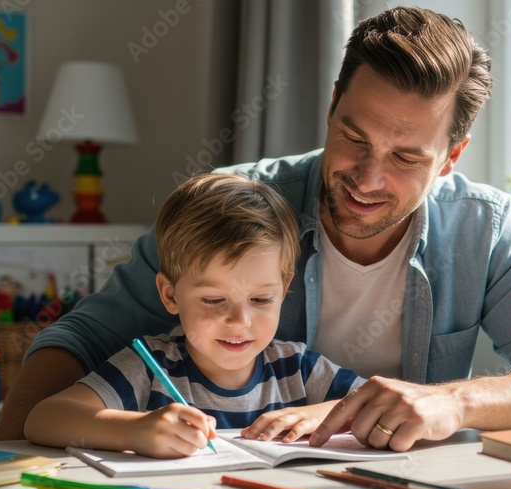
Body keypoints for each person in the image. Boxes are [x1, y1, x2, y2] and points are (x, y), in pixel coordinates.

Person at [0, 6, 511, 450]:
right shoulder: (233, 206)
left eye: (407, 158)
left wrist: (450, 403)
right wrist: (5, 464)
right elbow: (79, 336)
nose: (367, 178)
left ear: (451, 158)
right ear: (329, 107)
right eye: (353, 136)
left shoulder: (483, 229)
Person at [23, 173, 365, 457]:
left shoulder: (299, 369)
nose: (239, 321)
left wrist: (320, 414)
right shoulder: (149, 366)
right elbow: (44, 419)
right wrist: (135, 431)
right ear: (170, 293)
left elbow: (372, 404)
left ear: (285, 288)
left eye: (261, 299)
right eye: (214, 300)